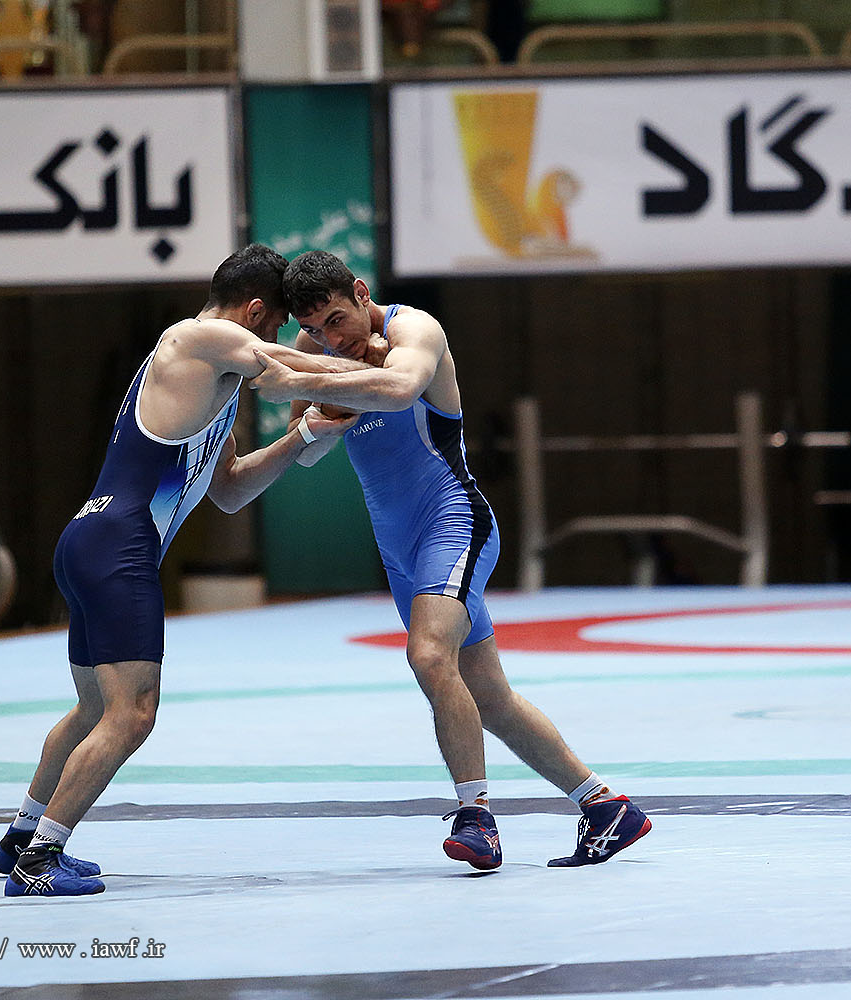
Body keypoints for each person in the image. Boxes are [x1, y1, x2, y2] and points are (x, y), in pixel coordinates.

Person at [249, 249, 651, 869]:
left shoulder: (415, 329)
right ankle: (604, 808)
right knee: (490, 699)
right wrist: (318, 424)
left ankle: (475, 816)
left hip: (454, 521)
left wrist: (304, 380)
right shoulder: (317, 352)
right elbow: (305, 453)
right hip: (398, 546)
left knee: (429, 654)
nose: (331, 338)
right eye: (315, 329)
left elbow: (401, 388)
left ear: (361, 293)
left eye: (337, 320)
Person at [0, 244, 359, 897]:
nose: (279, 336)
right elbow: (288, 367)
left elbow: (231, 489)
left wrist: (304, 436)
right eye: (279, 322)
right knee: (133, 714)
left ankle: (22, 836)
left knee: (92, 711)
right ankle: (40, 859)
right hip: (119, 546)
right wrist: (378, 365)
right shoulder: (197, 335)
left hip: (95, 540)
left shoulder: (211, 384)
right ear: (255, 310)